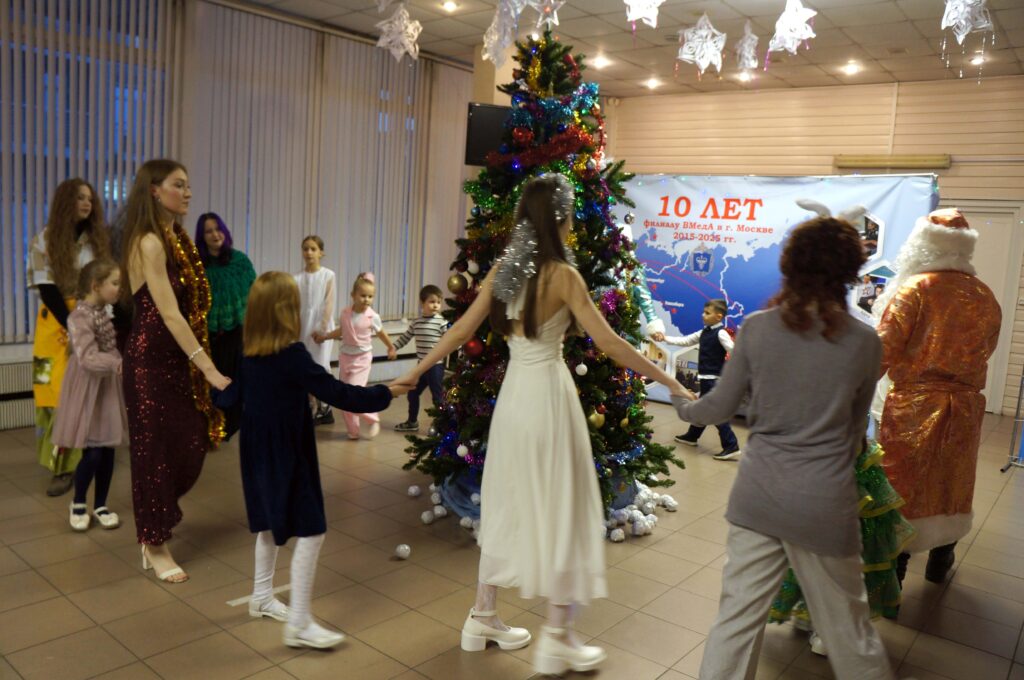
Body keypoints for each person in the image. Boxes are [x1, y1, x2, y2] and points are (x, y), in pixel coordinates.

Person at [394, 174, 687, 676]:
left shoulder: (503, 273)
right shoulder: (562, 277)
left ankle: (482, 616)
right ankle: (558, 637)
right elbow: (613, 345)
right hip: (550, 401)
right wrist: (673, 383)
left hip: (514, 404)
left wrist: (414, 370)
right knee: (563, 509)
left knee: (508, 502)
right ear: (560, 219)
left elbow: (461, 329)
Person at [671, 216, 896, 680]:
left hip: (757, 497)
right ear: (850, 271)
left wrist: (682, 405)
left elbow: (716, 409)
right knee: (849, 632)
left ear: (790, 265)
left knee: (735, 621)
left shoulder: (758, 328)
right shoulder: (865, 342)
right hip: (823, 503)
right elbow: (855, 435)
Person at [214, 272, 409, 649]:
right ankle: (300, 623)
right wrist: (388, 393)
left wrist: (212, 390)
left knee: (269, 525)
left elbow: (231, 395)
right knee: (312, 529)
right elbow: (338, 393)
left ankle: (261, 596)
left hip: (255, 454)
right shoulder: (291, 356)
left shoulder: (249, 353)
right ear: (286, 311)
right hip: (288, 454)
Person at [874, 208, 1001, 585]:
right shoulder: (985, 295)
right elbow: (986, 348)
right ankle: (941, 560)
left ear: (923, 244)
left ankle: (893, 578)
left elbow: (883, 349)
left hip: (914, 404)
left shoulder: (915, 289)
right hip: (965, 405)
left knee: (902, 484)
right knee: (953, 480)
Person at [121, 159, 230, 584]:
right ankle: (153, 541)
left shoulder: (175, 237)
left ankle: (159, 513)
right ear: (154, 190)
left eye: (188, 185)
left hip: (173, 359)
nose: (187, 192)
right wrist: (209, 368)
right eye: (178, 185)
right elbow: (168, 313)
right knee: (154, 454)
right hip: (150, 359)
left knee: (189, 443)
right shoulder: (149, 242)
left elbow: (192, 305)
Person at [768, 438, 915, 657]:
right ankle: (813, 616)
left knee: (831, 555)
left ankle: (827, 628)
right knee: (808, 551)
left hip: (835, 463)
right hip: (820, 457)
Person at [27, 178, 110, 496]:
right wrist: (73, 324)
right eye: (79, 198)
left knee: (88, 394)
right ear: (65, 202)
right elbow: (46, 288)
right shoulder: (44, 239)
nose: (86, 203)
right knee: (52, 395)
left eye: (89, 198)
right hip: (53, 327)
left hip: (92, 319)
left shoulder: (97, 241)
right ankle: (60, 468)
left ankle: (88, 459)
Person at [51, 259, 127, 532]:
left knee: (107, 450)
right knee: (93, 452)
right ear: (96, 285)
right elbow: (87, 357)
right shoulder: (79, 317)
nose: (119, 289)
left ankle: (101, 504)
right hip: (88, 388)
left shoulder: (103, 312)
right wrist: (117, 363)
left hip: (106, 388)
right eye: (115, 283)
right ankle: (79, 501)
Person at [653, 299, 740, 461]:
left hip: (713, 380)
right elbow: (685, 341)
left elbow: (734, 351)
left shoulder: (721, 333)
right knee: (704, 410)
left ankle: (731, 445)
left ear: (719, 316)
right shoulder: (704, 332)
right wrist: (664, 338)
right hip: (706, 379)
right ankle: (692, 436)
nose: (703, 315)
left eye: (707, 313)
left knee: (714, 412)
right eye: (704, 312)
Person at [314, 272, 397, 440]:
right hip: (345, 358)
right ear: (353, 295)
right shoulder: (345, 313)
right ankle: (353, 431)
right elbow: (341, 331)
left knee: (354, 394)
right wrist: (324, 337)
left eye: (370, 296)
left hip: (362, 359)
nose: (367, 299)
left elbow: (381, 333)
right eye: (363, 295)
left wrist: (391, 347)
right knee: (344, 396)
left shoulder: (372, 316)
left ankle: (372, 417)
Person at [196, 212, 257, 439]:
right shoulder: (197, 268)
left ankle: (231, 427)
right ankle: (211, 426)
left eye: (217, 229)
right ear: (202, 237)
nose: (214, 234)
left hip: (238, 334)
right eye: (208, 231)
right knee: (210, 383)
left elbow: (254, 297)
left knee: (234, 380)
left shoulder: (240, 262)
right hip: (206, 336)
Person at [294, 236, 336, 425]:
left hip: (321, 327)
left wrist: (322, 328)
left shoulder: (328, 275)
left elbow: (329, 303)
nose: (309, 252)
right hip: (303, 326)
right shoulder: (297, 278)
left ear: (321, 252)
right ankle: (311, 408)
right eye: (305, 249)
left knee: (320, 366)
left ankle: (326, 408)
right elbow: (296, 307)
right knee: (305, 366)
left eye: (313, 249)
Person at [393, 284, 448, 432]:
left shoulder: (442, 322)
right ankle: (412, 422)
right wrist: (394, 347)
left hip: (436, 366)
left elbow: (450, 340)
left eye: (438, 302)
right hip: (421, 367)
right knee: (413, 392)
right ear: (422, 303)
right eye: (431, 301)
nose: (435, 305)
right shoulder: (417, 322)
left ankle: (441, 424)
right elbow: (405, 337)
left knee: (437, 397)